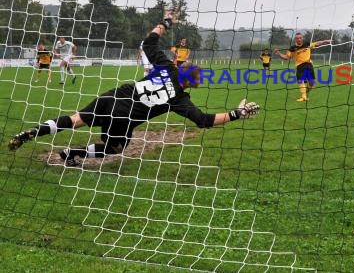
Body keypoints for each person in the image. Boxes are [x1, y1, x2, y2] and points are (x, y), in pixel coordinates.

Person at [8, 19, 261, 166]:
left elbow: (149, 43)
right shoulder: (180, 99)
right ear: (191, 83)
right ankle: (72, 154)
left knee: (74, 120)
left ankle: (32, 132)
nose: (202, 80)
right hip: (125, 117)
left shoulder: (165, 66)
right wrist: (237, 113)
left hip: (113, 96)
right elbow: (204, 121)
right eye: (200, 78)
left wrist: (164, 23)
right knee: (115, 148)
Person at [273, 32, 332, 102]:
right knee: (301, 81)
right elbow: (286, 57)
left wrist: (326, 41)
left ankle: (305, 93)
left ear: (302, 38)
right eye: (297, 38)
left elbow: (317, 43)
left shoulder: (307, 44)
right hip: (300, 66)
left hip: (309, 65)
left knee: (312, 83)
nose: (299, 39)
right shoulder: (292, 48)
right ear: (295, 39)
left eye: (300, 38)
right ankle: (303, 97)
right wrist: (279, 54)